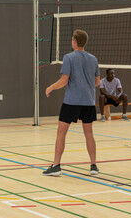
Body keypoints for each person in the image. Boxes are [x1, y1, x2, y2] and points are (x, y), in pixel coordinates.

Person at [43, 29, 100, 176]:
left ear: (74, 41)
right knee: (89, 133)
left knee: (61, 133)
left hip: (72, 102)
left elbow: (64, 81)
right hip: (88, 101)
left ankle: (56, 166)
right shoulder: (93, 59)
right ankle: (93, 165)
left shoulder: (69, 57)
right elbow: (97, 82)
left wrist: (51, 87)